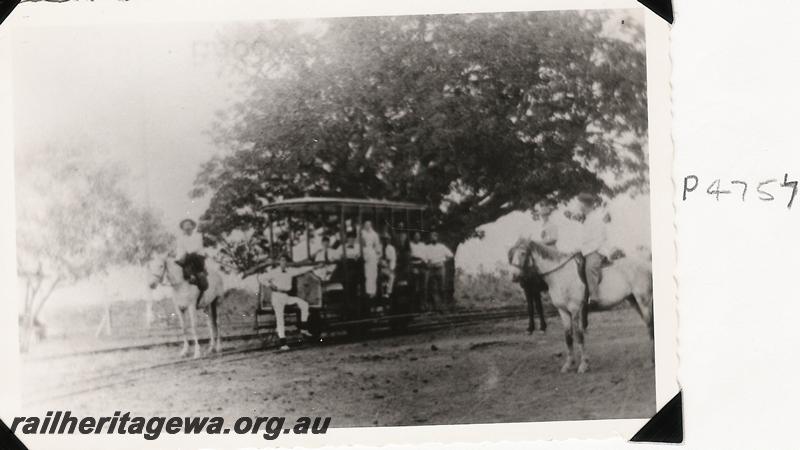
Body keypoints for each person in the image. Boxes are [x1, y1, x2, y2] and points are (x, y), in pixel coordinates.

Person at [262, 254, 313, 351]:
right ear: (279, 262)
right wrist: (270, 284)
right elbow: (262, 278)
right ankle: (283, 343)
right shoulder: (274, 272)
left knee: (304, 304)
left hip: (286, 296)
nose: (283, 263)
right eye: (281, 260)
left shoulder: (290, 271)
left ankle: (303, 328)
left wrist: (314, 266)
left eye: (285, 261)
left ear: (287, 262)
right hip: (277, 297)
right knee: (280, 319)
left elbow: (301, 270)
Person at [576, 192, 611, 306]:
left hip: (597, 250)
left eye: (579, 204)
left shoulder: (596, 218)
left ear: (584, 205)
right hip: (588, 250)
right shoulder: (587, 219)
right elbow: (585, 239)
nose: (578, 207)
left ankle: (595, 297)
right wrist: (578, 249)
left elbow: (599, 239)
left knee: (590, 268)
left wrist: (584, 250)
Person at [175, 218, 208, 306]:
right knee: (178, 263)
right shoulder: (181, 239)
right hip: (187, 260)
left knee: (191, 256)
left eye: (189, 225)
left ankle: (196, 274)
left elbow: (196, 248)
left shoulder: (198, 236)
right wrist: (180, 257)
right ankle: (189, 277)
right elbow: (179, 250)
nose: (187, 227)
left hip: (198, 258)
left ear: (193, 227)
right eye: (185, 226)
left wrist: (185, 255)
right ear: (182, 228)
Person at [425, 231, 454, 312]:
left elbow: (451, 255)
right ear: (430, 238)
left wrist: (443, 260)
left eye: (435, 236)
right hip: (431, 268)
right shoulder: (427, 247)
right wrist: (428, 263)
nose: (433, 238)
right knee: (433, 288)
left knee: (441, 287)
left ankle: (442, 306)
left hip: (440, 268)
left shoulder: (441, 247)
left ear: (437, 237)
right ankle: (435, 306)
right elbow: (424, 258)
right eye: (431, 236)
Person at [361, 220, 382, 299]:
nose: (367, 226)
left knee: (372, 274)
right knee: (366, 274)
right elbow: (359, 243)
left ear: (371, 225)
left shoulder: (374, 234)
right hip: (362, 252)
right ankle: (366, 291)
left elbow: (377, 246)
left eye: (368, 224)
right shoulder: (361, 233)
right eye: (365, 224)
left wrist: (377, 257)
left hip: (371, 254)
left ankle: (372, 292)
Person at [379, 231, 397, 298]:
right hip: (380, 267)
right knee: (379, 277)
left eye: (386, 239)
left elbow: (393, 259)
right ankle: (381, 293)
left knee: (392, 276)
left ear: (389, 240)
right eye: (384, 239)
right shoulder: (379, 247)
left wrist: (391, 268)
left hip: (388, 267)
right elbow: (378, 258)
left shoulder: (391, 248)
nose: (385, 241)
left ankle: (388, 293)